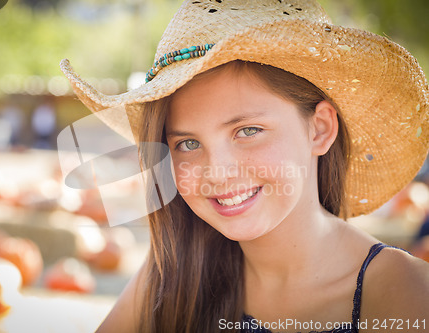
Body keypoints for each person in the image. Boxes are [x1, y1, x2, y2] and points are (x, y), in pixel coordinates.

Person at [60, 0, 429, 332]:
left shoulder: (403, 293)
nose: (217, 173)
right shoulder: (171, 278)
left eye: (248, 130)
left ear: (320, 129)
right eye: (188, 144)